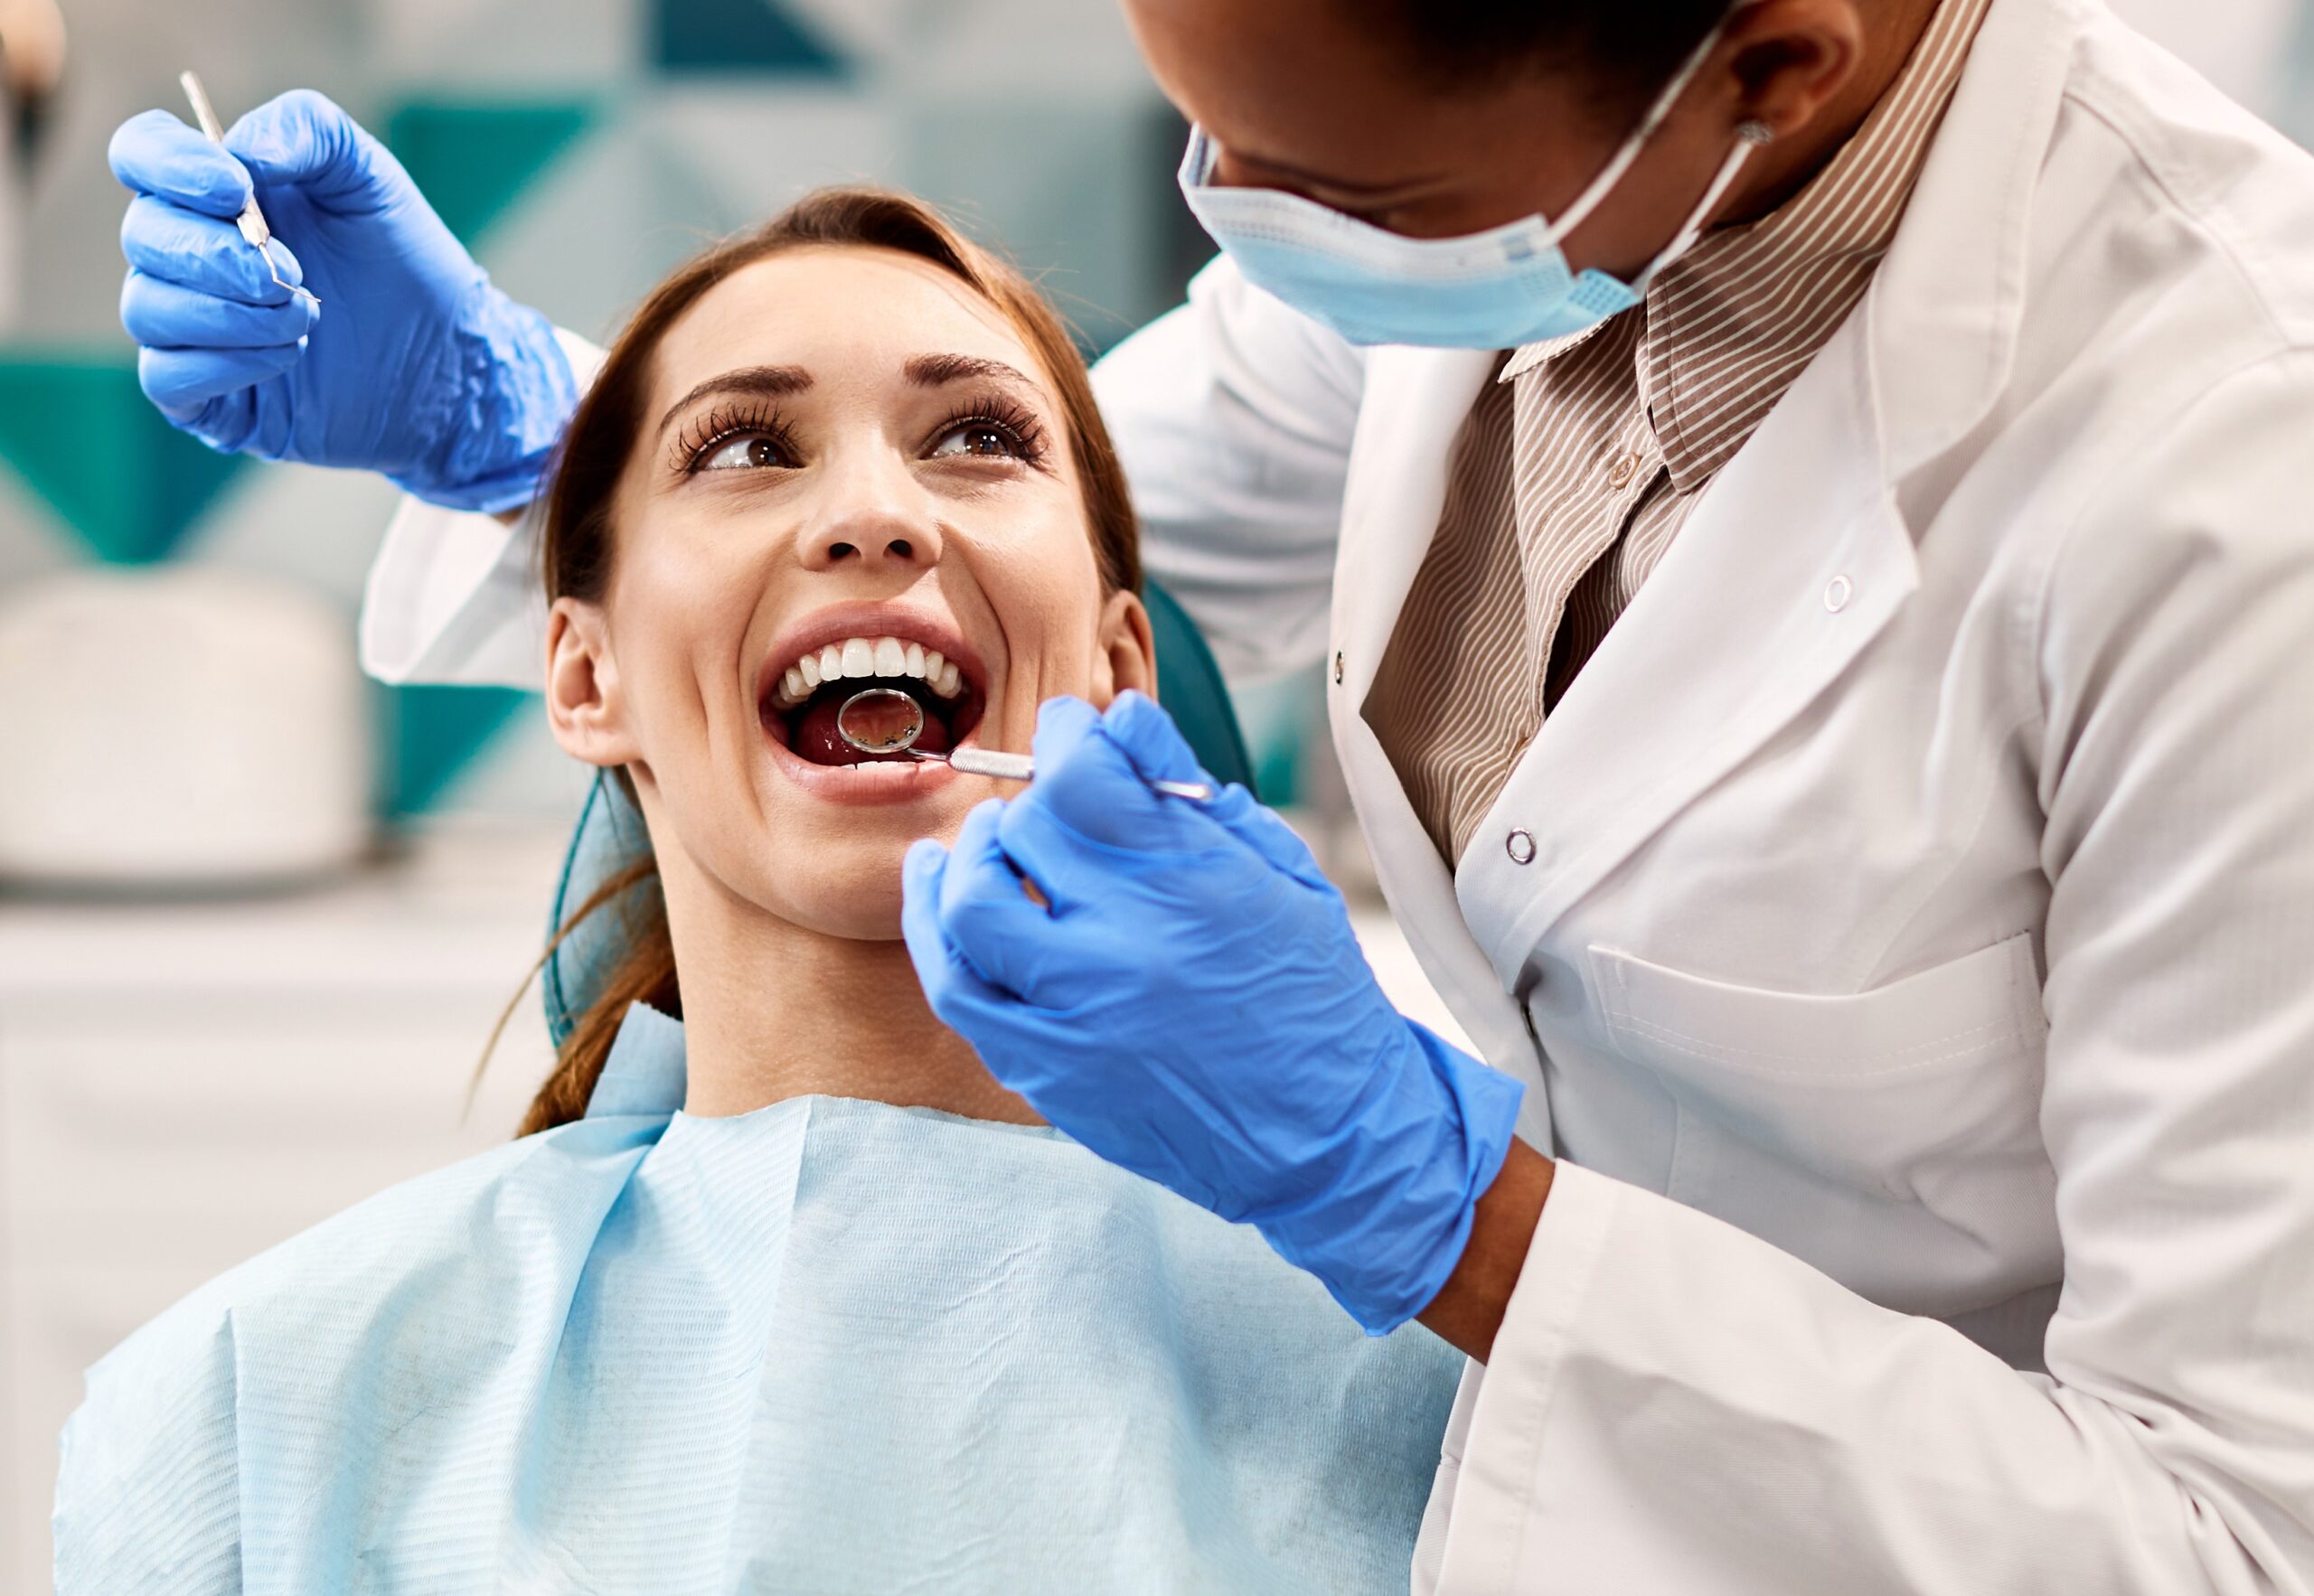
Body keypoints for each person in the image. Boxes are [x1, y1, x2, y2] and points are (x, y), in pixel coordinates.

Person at [105, 0, 2314, 1587]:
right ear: (576, 666)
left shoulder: (2221, 480)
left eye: (1339, 190)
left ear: (1765, 71)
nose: (1254, 239)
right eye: (1202, 146)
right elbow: (1045, 495)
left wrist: (1434, 1206)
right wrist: (537, 444)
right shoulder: (248, 1413)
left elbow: (2225, 1542)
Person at [53, 187, 1467, 1593]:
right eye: (740, 446)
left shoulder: (1468, 1391)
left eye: (978, 436)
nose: (872, 515)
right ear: (583, 674)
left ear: (1122, 664)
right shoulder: (246, 1417)